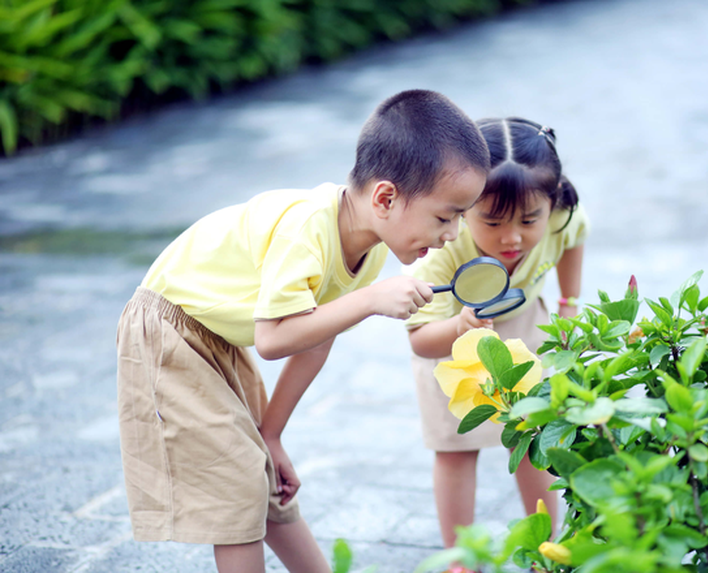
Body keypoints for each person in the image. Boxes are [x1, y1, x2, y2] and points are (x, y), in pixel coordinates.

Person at [115, 89, 490, 573]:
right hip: (169, 332)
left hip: (216, 337)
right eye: (446, 215)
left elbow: (314, 339)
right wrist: (369, 301)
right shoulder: (308, 229)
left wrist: (272, 435)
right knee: (238, 483)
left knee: (263, 475)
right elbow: (273, 339)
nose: (454, 234)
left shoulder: (368, 244)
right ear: (386, 198)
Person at [406, 117, 590, 561]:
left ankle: (546, 546)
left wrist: (569, 303)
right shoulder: (440, 249)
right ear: (462, 208)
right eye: (492, 221)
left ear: (553, 202)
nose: (512, 237)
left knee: (533, 439)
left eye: (530, 219)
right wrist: (457, 329)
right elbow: (419, 339)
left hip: (526, 325)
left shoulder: (564, 214)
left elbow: (574, 238)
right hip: (453, 346)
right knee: (455, 452)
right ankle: (461, 559)